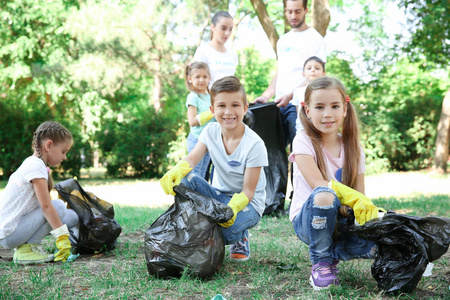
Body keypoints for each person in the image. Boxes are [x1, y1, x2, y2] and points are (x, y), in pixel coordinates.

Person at [289, 77, 384, 290]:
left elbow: (360, 196)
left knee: (389, 238)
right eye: (319, 107)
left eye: (334, 106)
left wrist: (369, 214)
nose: (327, 114)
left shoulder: (354, 149)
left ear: (345, 109)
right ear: (307, 111)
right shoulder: (302, 140)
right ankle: (322, 261)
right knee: (325, 195)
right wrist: (350, 200)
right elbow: (317, 183)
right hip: (309, 221)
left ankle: (338, 250)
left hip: (341, 222)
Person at [160, 76, 268, 261]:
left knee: (221, 234)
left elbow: (249, 191)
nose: (228, 112)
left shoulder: (254, 144)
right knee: (186, 180)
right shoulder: (210, 132)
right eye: (221, 106)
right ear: (212, 110)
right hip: (218, 196)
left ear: (245, 107)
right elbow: (192, 159)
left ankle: (240, 236)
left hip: (247, 204)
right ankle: (197, 225)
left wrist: (232, 208)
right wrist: (175, 171)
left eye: (235, 105)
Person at [0, 121, 79, 264]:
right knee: (59, 207)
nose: (64, 157)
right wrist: (61, 238)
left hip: (17, 229)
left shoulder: (36, 164)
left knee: (72, 217)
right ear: (48, 145)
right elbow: (46, 207)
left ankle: (29, 245)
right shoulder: (35, 165)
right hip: (9, 234)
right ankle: (26, 250)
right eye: (63, 152)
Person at [253, 0, 327, 148]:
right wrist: (266, 96)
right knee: (272, 152)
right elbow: (280, 72)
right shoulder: (283, 40)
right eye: (289, 11)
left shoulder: (315, 38)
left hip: (299, 105)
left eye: (297, 11)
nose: (293, 15)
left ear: (306, 11)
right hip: (278, 105)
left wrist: (291, 95)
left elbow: (317, 76)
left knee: (300, 150)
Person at [185, 62, 215, 179]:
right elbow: (192, 121)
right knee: (195, 172)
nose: (201, 80)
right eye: (197, 77)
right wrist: (211, 113)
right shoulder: (193, 96)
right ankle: (191, 196)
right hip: (196, 140)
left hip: (208, 141)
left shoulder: (210, 97)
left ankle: (200, 197)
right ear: (190, 79)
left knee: (203, 174)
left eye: (204, 77)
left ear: (209, 78)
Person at [193, 11, 238, 88]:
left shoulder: (233, 55)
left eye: (230, 29)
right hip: (209, 98)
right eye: (223, 28)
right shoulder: (203, 51)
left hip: (229, 99)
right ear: (213, 27)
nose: (227, 33)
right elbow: (196, 81)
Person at [291, 56, 326, 133]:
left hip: (321, 129)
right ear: (303, 74)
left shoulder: (327, 91)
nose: (313, 70)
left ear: (324, 73)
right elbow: (298, 112)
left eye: (317, 68)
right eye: (309, 68)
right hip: (302, 130)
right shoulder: (298, 91)